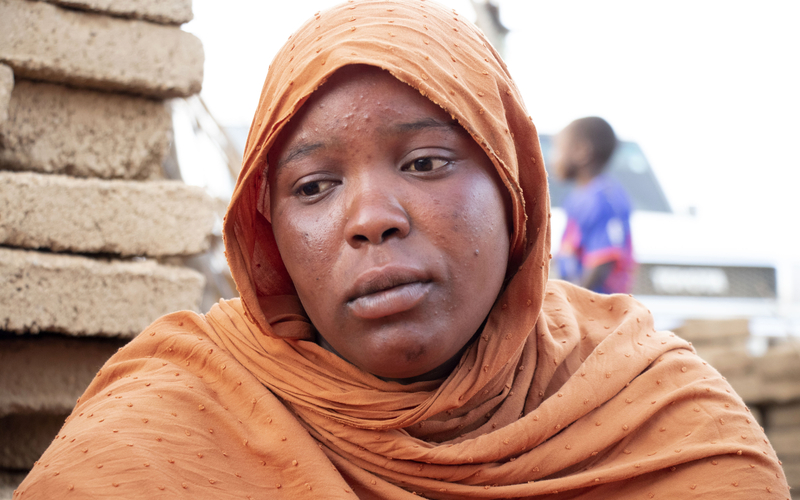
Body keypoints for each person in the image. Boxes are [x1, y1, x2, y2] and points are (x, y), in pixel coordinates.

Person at [16, 1, 789, 498]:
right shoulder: (171, 422)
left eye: (425, 163)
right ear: (267, 232)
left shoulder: (662, 428)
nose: (372, 219)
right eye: (314, 186)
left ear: (514, 189)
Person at [553, 117, 635, 294]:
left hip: (597, 308)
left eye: (558, 149)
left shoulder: (603, 199)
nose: (553, 159)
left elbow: (603, 260)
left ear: (581, 152)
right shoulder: (579, 196)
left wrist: (576, 300)